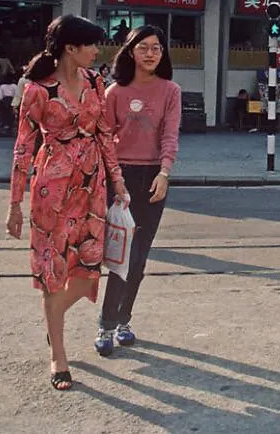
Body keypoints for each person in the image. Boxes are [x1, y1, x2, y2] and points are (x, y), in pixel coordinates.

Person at [5, 15, 129, 392]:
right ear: (70, 48)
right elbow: (23, 148)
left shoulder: (95, 81)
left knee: (90, 266)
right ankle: (58, 354)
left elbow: (105, 134)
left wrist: (118, 181)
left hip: (92, 187)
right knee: (53, 271)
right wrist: (14, 204)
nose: (97, 51)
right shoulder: (37, 90)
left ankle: (51, 321)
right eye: (91, 45)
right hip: (52, 190)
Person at [95, 25, 180, 357]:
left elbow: (170, 135)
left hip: (153, 179)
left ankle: (124, 320)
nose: (150, 53)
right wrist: (115, 180)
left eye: (156, 48)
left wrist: (165, 172)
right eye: (143, 47)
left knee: (139, 258)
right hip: (120, 178)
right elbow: (104, 138)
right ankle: (105, 323)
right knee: (120, 256)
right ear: (130, 51)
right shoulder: (114, 92)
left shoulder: (170, 90)